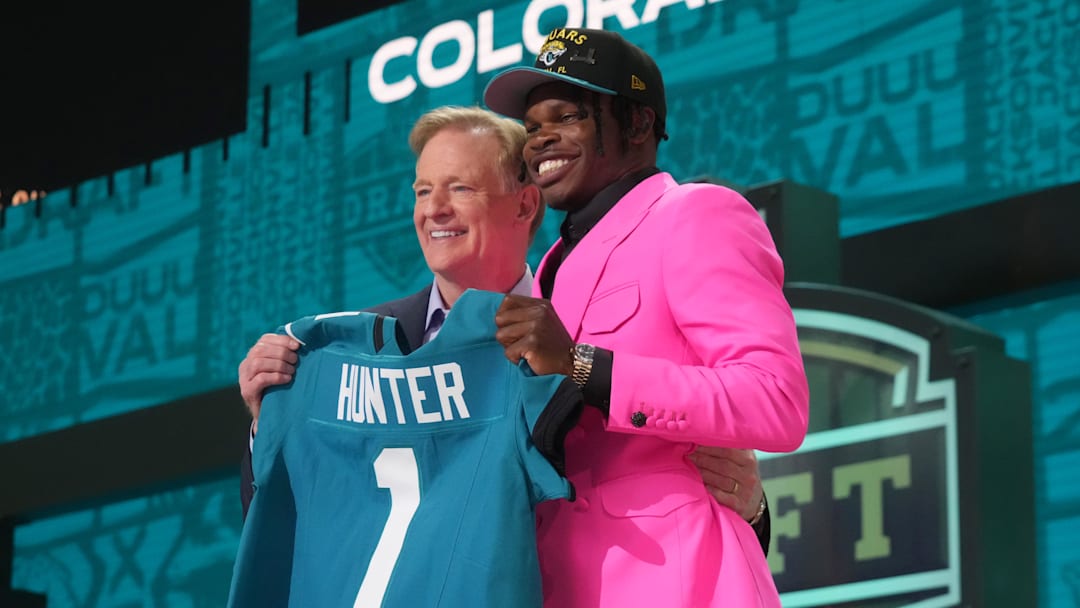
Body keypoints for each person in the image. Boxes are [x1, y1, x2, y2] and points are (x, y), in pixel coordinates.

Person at [237, 106, 773, 552]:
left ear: (525, 202)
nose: (434, 210)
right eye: (422, 191)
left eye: (459, 188)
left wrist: (750, 508)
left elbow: (646, 494)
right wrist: (275, 423)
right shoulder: (361, 345)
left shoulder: (585, 343)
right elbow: (292, 513)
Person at [482, 28, 809, 606]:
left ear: (637, 123)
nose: (541, 140)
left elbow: (775, 399)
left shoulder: (696, 214)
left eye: (568, 116)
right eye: (532, 128)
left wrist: (585, 367)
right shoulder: (547, 269)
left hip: (677, 578)